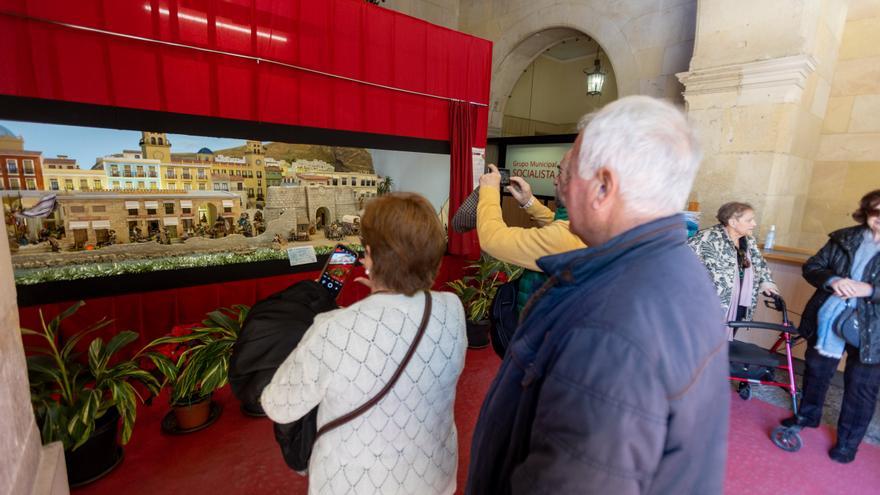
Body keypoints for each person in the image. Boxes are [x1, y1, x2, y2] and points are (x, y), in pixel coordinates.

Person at [467, 96, 729, 494]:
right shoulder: (675, 267)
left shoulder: (607, 332)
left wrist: (488, 191)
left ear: (604, 186)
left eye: (569, 171)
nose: (560, 184)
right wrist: (531, 205)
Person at [261, 192, 467, 495]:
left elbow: (279, 406)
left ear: (368, 255)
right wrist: (389, 285)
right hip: (432, 475)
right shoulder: (452, 309)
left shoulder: (332, 329)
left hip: (356, 482)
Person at [780, 189, 880, 463]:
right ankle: (807, 416)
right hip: (829, 316)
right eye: (876, 212)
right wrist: (832, 280)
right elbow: (813, 267)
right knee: (816, 371)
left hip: (874, 330)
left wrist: (869, 290)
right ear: (867, 212)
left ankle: (847, 444)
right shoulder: (844, 237)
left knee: (861, 388)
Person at [688, 202, 779, 336]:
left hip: (738, 304)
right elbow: (681, 267)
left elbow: (760, 264)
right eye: (749, 220)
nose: (754, 224)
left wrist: (766, 283)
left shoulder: (749, 241)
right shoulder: (705, 239)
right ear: (732, 222)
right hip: (708, 307)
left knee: (722, 346)